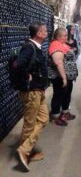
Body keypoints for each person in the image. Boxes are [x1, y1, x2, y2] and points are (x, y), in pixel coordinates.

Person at [16, 22, 49, 172]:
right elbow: (18, 64)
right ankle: (25, 154)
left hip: (39, 90)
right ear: (39, 33)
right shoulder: (29, 47)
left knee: (43, 119)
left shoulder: (36, 47)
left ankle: (26, 148)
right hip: (31, 92)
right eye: (44, 30)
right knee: (30, 124)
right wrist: (27, 75)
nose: (47, 32)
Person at [48, 28, 77, 127]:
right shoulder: (55, 45)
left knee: (66, 95)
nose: (66, 37)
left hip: (67, 76)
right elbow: (58, 63)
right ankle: (55, 116)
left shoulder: (62, 44)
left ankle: (65, 113)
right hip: (59, 77)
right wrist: (64, 78)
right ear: (58, 37)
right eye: (64, 35)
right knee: (58, 96)